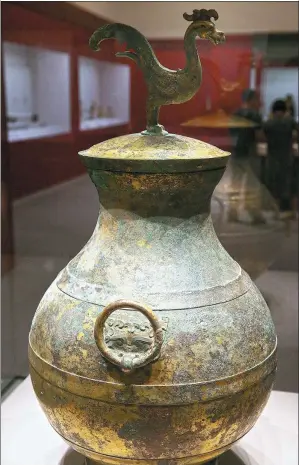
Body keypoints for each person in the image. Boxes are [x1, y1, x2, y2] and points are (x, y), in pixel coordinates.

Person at [263, 99, 297, 215]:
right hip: (287, 158)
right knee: (287, 182)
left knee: (273, 183)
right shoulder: (290, 121)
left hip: (272, 158)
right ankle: (290, 211)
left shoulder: (269, 123)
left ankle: (275, 210)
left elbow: (262, 136)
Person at [231, 89, 263, 159]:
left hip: (236, 151)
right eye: (256, 99)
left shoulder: (235, 114)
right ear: (252, 99)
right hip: (250, 152)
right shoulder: (255, 115)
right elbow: (259, 135)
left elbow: (232, 134)